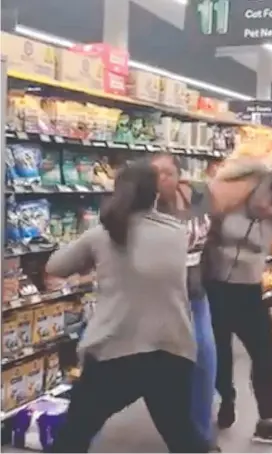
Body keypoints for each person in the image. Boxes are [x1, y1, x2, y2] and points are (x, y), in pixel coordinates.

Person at [47, 161, 210, 453]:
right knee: (182, 435)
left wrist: (91, 261)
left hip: (116, 349)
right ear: (155, 196)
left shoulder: (102, 234)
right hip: (172, 349)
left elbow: (55, 267)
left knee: (75, 434)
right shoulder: (176, 234)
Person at [151, 153, 265, 449]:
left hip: (195, 294)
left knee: (204, 359)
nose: (161, 178)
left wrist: (266, 164)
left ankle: (199, 437)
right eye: (154, 173)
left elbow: (240, 181)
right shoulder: (143, 205)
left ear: (179, 175)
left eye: (167, 172)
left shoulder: (198, 196)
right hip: (155, 300)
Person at [204, 157, 272, 446]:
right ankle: (226, 399)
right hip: (213, 288)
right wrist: (266, 166)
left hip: (248, 293)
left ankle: (267, 421)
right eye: (269, 199)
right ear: (255, 189)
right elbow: (223, 177)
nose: (271, 208)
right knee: (220, 355)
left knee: (265, 354)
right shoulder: (231, 203)